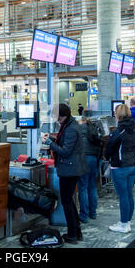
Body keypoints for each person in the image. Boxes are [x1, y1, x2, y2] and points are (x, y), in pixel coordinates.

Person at [43, 104, 88, 244]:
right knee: (69, 200)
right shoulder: (69, 125)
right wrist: (53, 138)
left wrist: (50, 143)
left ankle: (72, 234)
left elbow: (65, 151)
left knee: (67, 202)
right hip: (70, 168)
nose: (57, 120)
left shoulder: (71, 129)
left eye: (58, 117)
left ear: (64, 116)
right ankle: (76, 230)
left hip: (69, 169)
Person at [104, 104, 135, 233]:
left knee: (123, 196)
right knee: (129, 194)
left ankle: (124, 224)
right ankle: (127, 221)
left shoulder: (117, 132)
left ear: (117, 115)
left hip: (120, 167)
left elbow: (109, 149)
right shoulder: (134, 129)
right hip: (132, 165)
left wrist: (107, 157)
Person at [77, 118, 102, 224]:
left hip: (84, 160)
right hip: (95, 160)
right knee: (92, 187)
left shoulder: (78, 132)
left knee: (83, 188)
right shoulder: (94, 131)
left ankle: (84, 215)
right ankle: (93, 213)